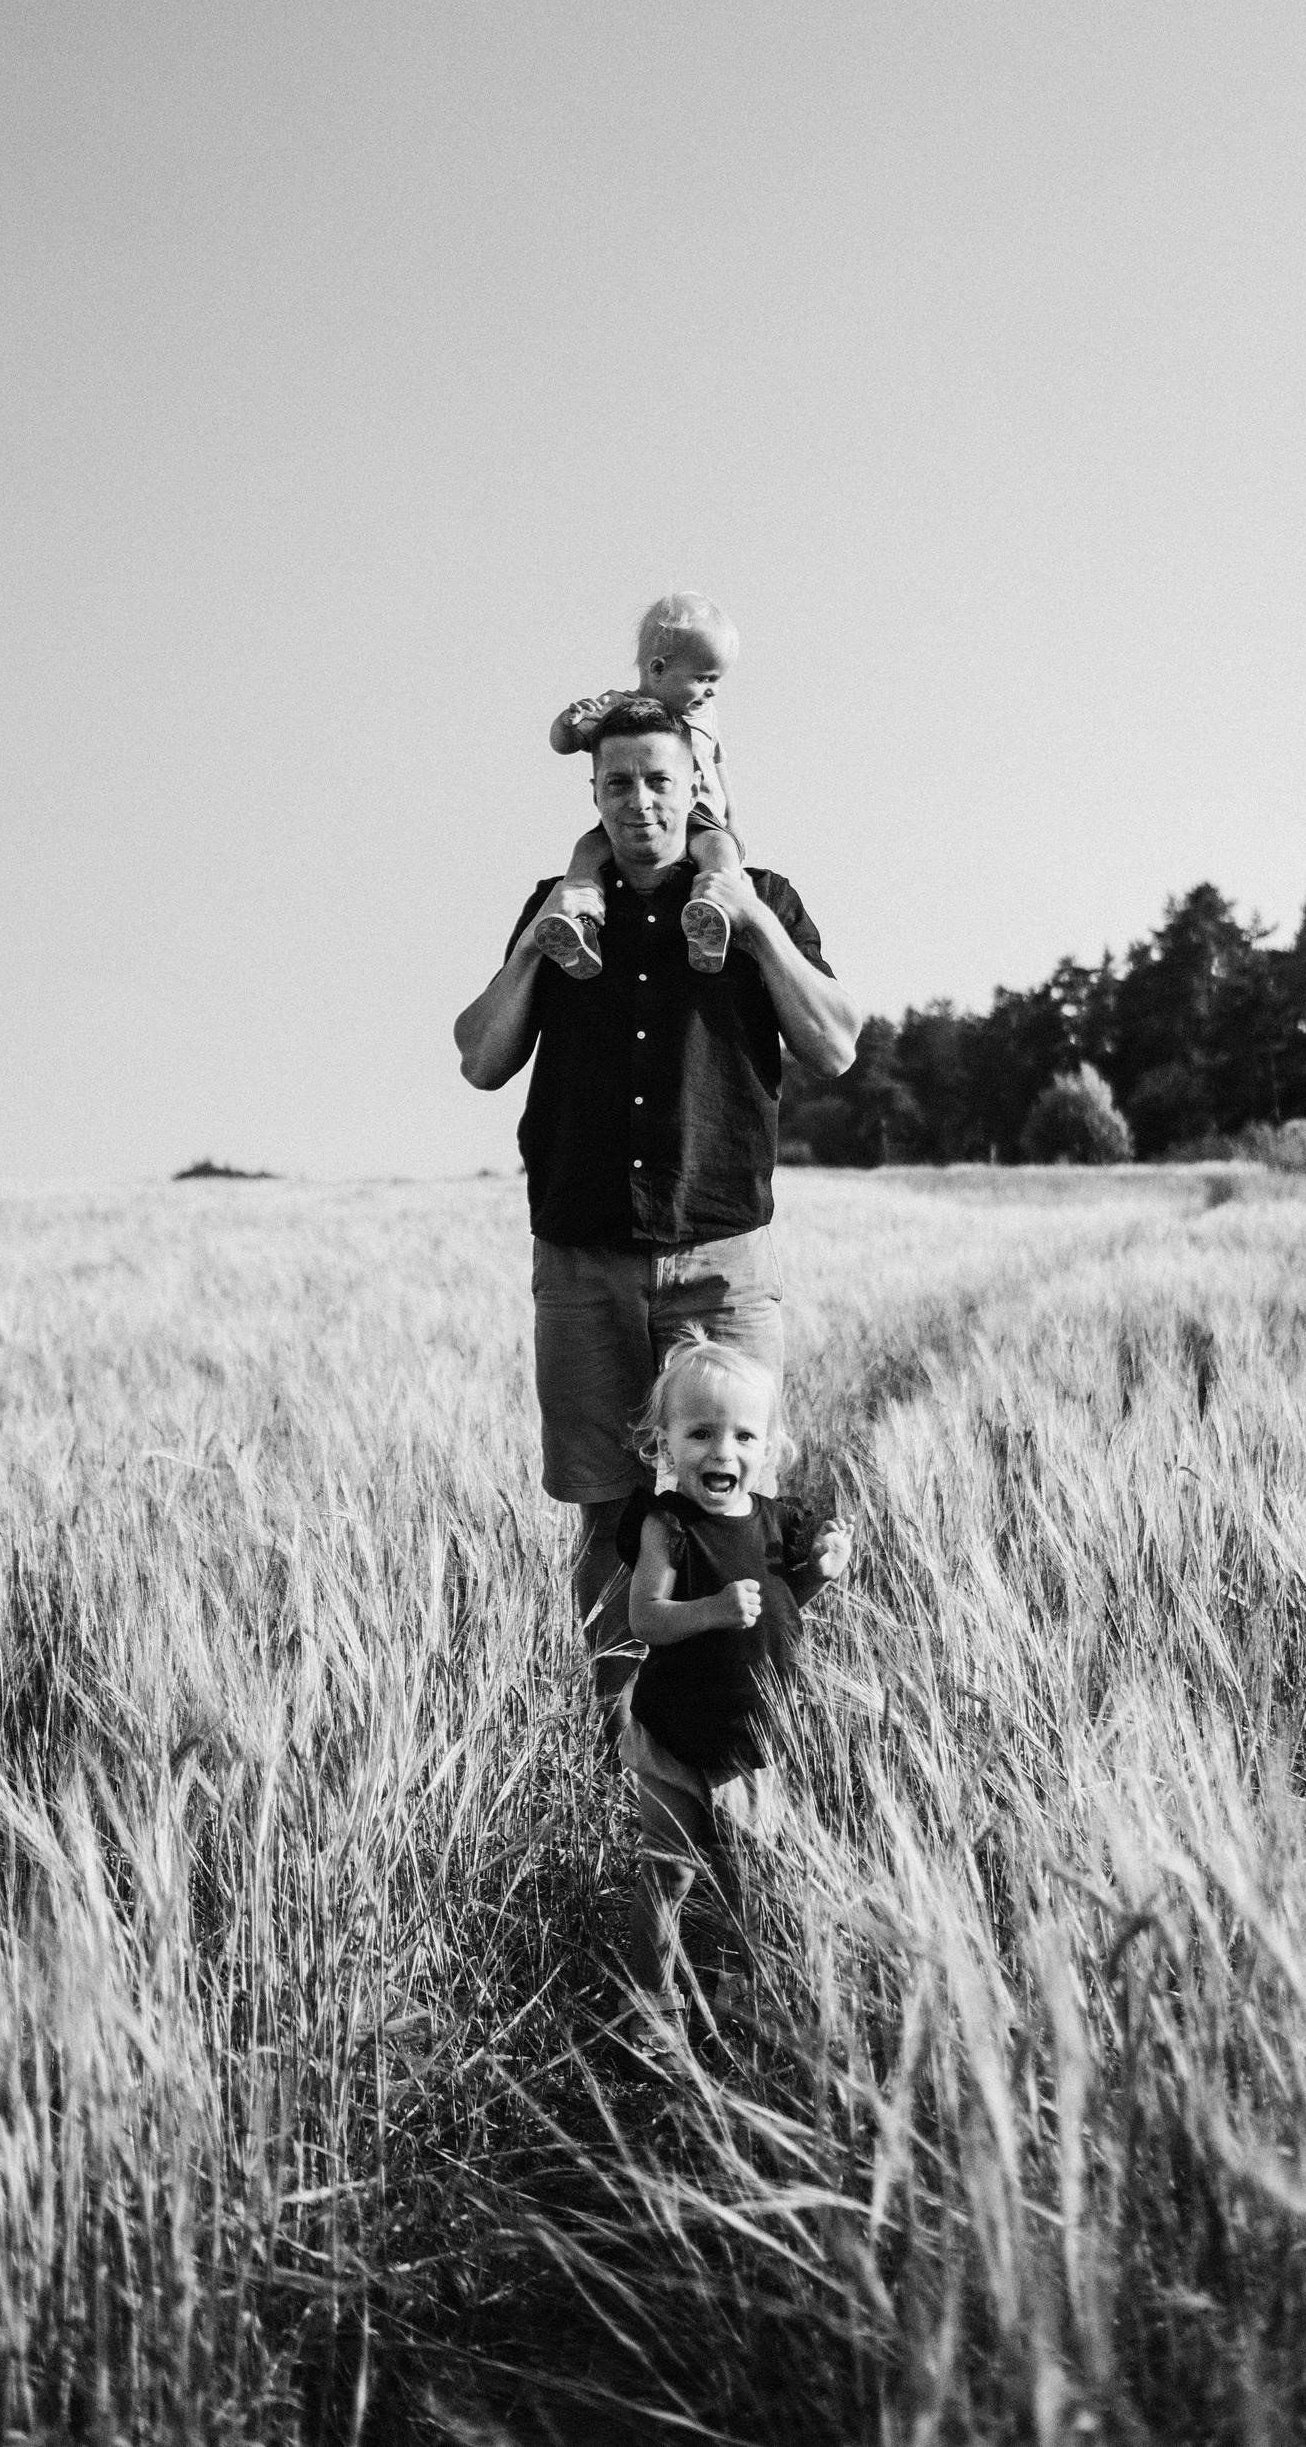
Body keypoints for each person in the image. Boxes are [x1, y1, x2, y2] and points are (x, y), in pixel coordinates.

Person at [452, 691, 860, 1749]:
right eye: (618, 782)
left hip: (718, 1260)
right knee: (606, 1511)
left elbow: (835, 1043)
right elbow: (482, 1056)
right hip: (582, 1263)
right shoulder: (559, 905)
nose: (639, 801)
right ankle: (626, 1738)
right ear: (593, 795)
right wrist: (541, 947)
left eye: (658, 781)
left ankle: (751, 1735)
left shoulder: (757, 895)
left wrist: (753, 914)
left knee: (745, 1501)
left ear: (695, 790)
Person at [616, 1336, 853, 2037]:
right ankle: (651, 2009)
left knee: (751, 1883)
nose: (723, 1451)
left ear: (771, 1447)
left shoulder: (778, 1523)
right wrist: (713, 1610)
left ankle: (740, 1999)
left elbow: (778, 1607)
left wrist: (818, 1575)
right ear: (665, 1443)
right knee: (668, 1874)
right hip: (673, 1739)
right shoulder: (668, 1526)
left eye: (744, 1435)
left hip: (753, 1743)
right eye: (700, 1433)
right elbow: (645, 1619)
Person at [532, 590, 744, 977]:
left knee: (720, 853)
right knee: (587, 849)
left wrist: (731, 826)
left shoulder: (706, 715)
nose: (712, 690)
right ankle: (580, 924)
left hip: (700, 820)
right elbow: (564, 744)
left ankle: (714, 918)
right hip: (632, 818)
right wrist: (569, 722)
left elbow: (720, 771)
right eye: (702, 678)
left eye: (717, 680)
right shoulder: (620, 708)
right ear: (658, 668)